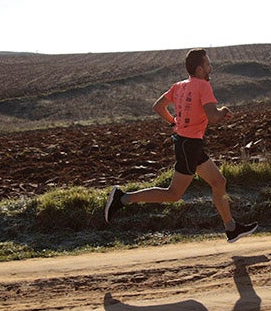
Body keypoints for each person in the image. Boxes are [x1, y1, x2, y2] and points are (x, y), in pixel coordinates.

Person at [105, 48, 258, 243]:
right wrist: (223, 111)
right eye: (208, 65)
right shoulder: (203, 86)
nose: (211, 68)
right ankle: (122, 198)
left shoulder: (178, 86)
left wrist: (173, 122)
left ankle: (231, 228)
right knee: (173, 194)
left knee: (219, 182)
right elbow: (212, 117)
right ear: (200, 69)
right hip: (189, 146)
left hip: (189, 144)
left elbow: (158, 107)